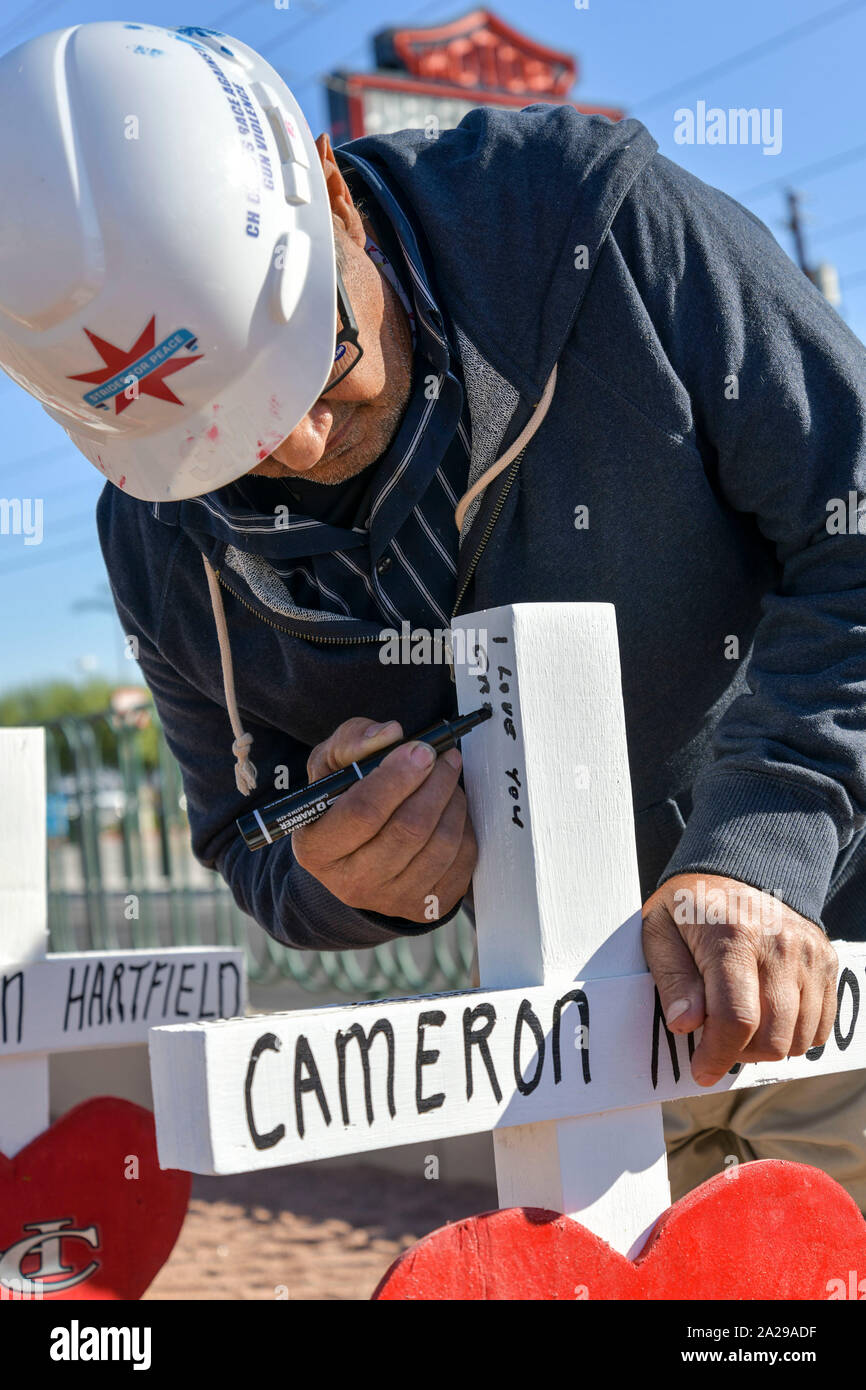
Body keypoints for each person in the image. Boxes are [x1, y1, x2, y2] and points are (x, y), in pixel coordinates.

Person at [2, 21, 865, 1207]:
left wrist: (765, 845)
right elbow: (245, 847)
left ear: (327, 186)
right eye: (227, 443)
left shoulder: (594, 228)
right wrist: (349, 879)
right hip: (588, 1073)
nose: (302, 444)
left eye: (317, 356)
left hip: (842, 945)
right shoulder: (152, 538)